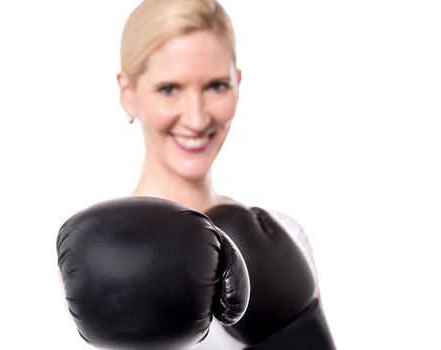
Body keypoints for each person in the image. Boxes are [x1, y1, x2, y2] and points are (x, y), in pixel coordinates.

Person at [59, 0, 335, 349]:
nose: (196, 117)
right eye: (169, 89)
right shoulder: (85, 258)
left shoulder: (284, 236)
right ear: (127, 94)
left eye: (216, 86)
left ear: (238, 83)